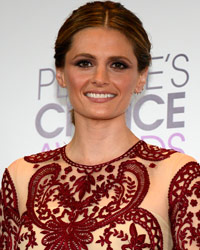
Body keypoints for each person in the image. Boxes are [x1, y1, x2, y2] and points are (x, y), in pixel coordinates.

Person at [0, 1, 199, 249]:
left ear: (141, 77)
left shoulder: (177, 175)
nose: (100, 79)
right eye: (85, 63)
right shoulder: (21, 176)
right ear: (60, 73)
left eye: (118, 65)